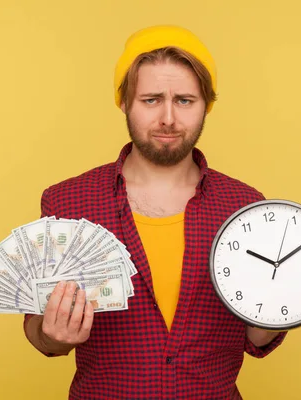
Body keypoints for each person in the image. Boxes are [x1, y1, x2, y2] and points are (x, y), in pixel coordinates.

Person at [23, 24, 287, 399]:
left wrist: (284, 307)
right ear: (125, 103)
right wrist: (52, 334)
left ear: (205, 106)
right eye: (150, 100)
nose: (167, 118)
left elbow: (255, 337)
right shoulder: (68, 203)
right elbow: (40, 336)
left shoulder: (244, 207)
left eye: (184, 100)